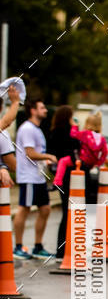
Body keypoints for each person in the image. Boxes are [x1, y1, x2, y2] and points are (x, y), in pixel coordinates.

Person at [13, 99, 57, 260]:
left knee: (45, 209)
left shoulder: (37, 129)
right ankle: (17, 246)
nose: (45, 110)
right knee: (24, 208)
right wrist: (48, 156)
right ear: (33, 110)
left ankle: (38, 246)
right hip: (28, 176)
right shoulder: (27, 129)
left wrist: (45, 162)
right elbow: (30, 153)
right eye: (42, 107)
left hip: (38, 177)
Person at [48, 105, 80, 259]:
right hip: (72, 176)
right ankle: (71, 248)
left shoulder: (53, 133)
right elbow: (76, 151)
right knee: (72, 211)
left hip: (60, 177)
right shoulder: (71, 134)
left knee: (66, 212)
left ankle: (61, 249)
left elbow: (52, 154)